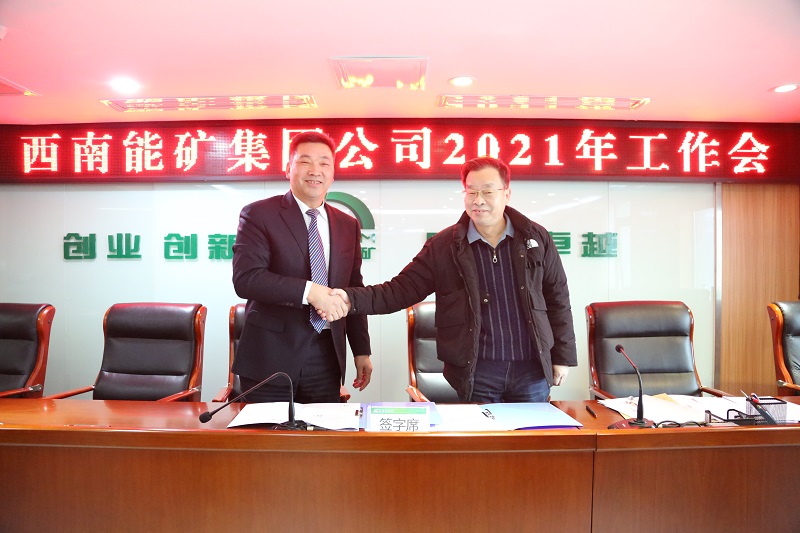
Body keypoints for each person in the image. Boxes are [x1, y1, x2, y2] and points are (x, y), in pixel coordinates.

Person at [324, 156, 577, 403]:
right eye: (471, 192)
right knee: (481, 433)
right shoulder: (444, 246)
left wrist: (562, 357)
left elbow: (558, 299)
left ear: (506, 194)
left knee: (531, 432)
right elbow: (399, 290)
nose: (478, 200)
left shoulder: (536, 238)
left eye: (488, 192)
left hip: (531, 370)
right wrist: (349, 298)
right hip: (478, 372)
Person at [231, 130, 372, 403]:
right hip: (270, 356)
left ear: (333, 173)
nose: (315, 170)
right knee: (267, 430)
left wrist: (361, 349)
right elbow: (247, 279)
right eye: (305, 161)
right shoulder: (259, 214)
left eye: (324, 163)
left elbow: (354, 289)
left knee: (321, 431)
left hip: (327, 356)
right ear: (288, 169)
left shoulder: (348, 225)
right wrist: (310, 292)